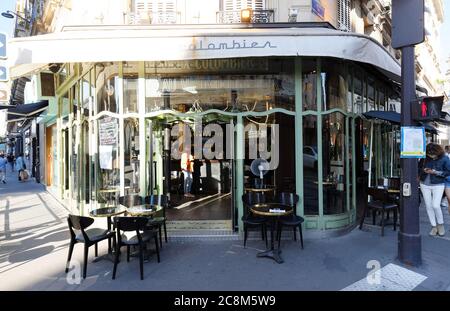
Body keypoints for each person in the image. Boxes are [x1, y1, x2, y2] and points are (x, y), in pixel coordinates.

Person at [419, 143, 450, 237]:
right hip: (424, 183)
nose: (430, 155)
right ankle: (434, 226)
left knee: (436, 205)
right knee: (428, 206)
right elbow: (419, 167)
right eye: (428, 153)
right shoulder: (424, 158)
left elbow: (448, 172)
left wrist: (435, 172)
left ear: (438, 152)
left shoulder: (445, 158)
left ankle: (440, 225)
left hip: (438, 184)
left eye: (432, 153)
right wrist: (423, 170)